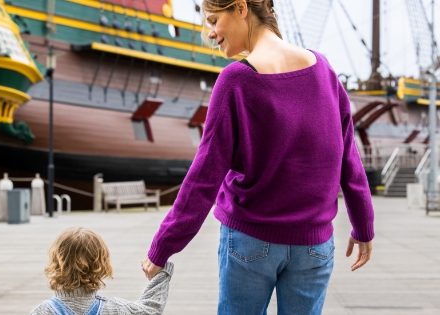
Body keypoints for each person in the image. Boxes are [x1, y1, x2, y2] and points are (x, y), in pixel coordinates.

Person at [141, 0, 374, 314]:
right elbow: (348, 157)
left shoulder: (236, 80)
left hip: (250, 240)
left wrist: (163, 246)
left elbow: (204, 175)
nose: (210, 34)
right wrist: (363, 225)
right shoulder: (324, 70)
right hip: (314, 246)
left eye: (212, 20)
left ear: (240, 8)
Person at [31, 227, 174, 315]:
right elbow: (151, 309)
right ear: (101, 265)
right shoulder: (115, 310)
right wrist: (162, 272)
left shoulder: (41, 312)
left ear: (56, 263)